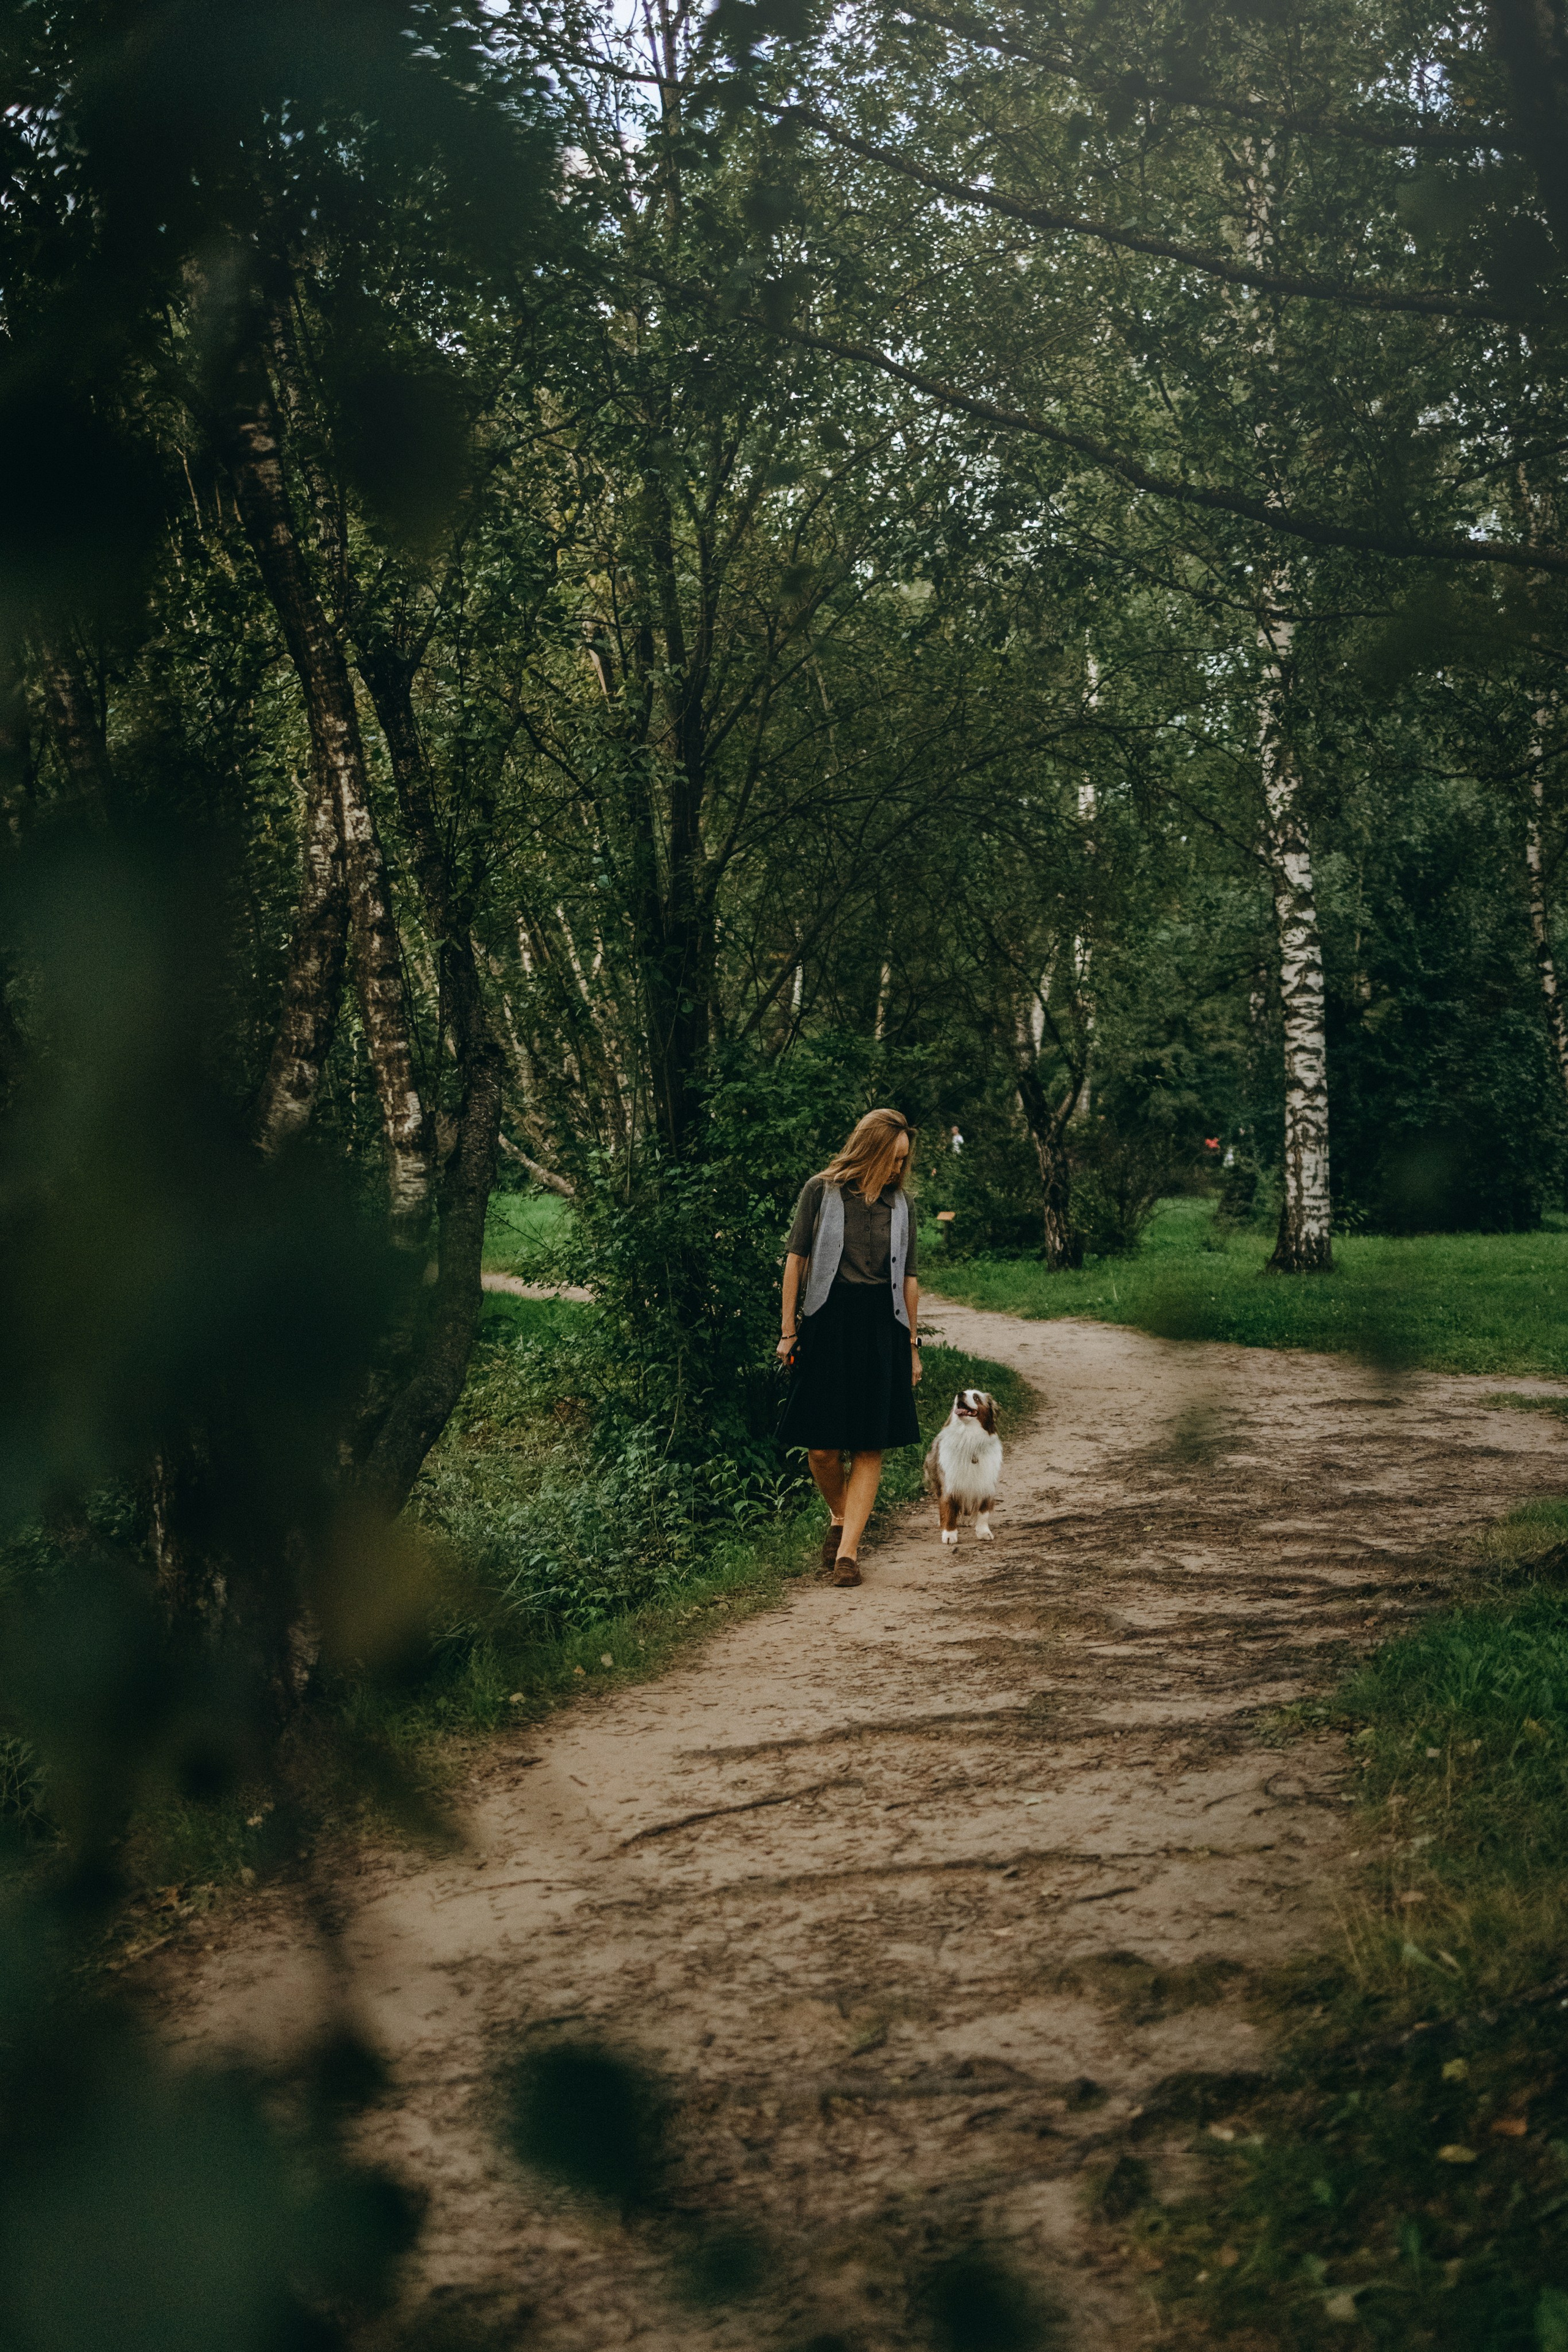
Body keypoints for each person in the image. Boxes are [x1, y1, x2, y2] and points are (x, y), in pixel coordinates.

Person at [775, 1107, 922, 1589]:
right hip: (828, 1323)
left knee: (869, 1442)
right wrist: (788, 1330)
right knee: (821, 1448)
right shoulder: (821, 1191)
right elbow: (796, 1261)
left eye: (904, 1160)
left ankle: (849, 1554)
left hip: (882, 1327)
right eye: (893, 1158)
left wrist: (912, 1347)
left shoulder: (902, 1206)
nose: (899, 1168)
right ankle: (842, 1518)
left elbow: (910, 1280)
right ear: (871, 1150)